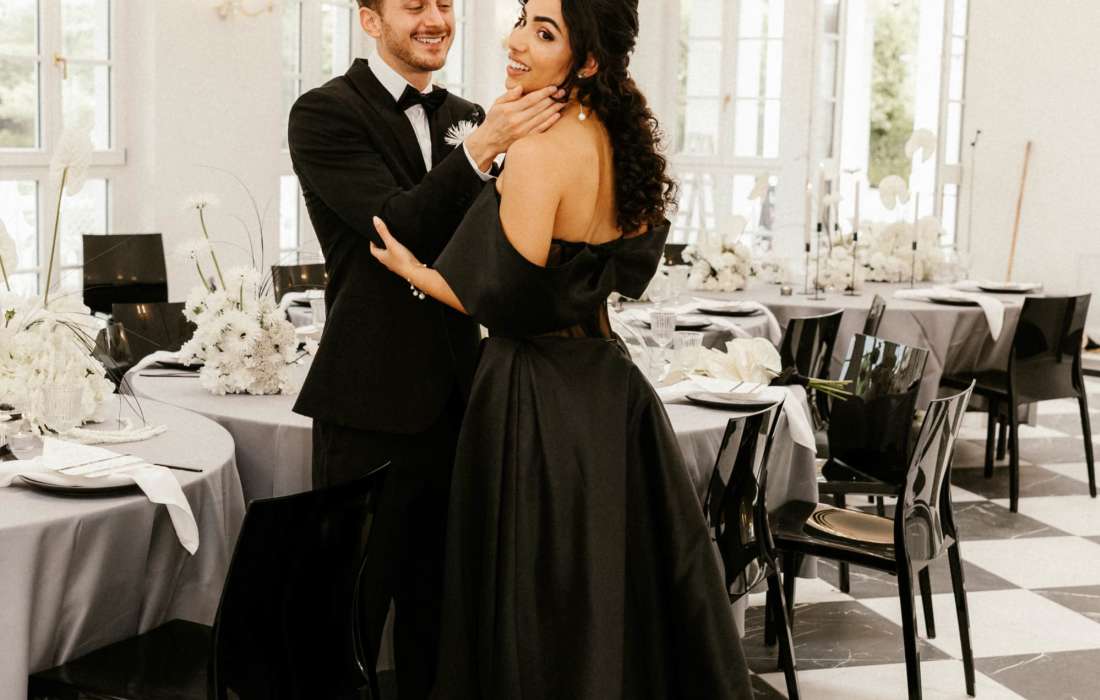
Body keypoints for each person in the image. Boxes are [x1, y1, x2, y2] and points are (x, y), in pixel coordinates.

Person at [368, 0, 754, 697]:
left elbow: (506, 299)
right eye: (522, 19)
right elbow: (591, 276)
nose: (516, 41)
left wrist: (414, 271)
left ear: (589, 59)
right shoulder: (614, 135)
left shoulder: (540, 150)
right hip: (611, 389)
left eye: (543, 32)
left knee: (536, 602)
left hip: (537, 397)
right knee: (608, 591)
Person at [286, 1, 566, 697]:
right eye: (414, 5)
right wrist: (484, 146)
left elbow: (490, 250)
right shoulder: (324, 113)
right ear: (370, 20)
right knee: (349, 615)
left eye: (444, 3)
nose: (436, 18)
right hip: (368, 399)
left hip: (463, 400)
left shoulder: (468, 113)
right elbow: (397, 225)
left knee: (441, 621)